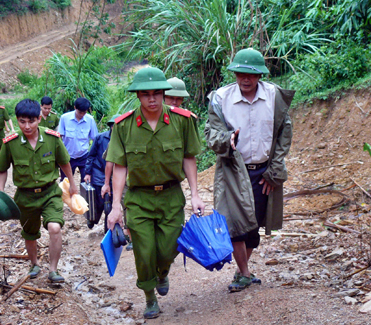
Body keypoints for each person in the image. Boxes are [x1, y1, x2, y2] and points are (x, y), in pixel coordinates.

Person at [106, 67, 205, 319]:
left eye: (157, 94)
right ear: (137, 96)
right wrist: (116, 206)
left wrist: (195, 194)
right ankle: (149, 297)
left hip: (171, 196)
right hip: (139, 199)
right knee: (144, 250)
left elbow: (189, 158)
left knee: (170, 246)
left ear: (164, 93)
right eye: (146, 94)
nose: (152, 99)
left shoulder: (182, 121)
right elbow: (120, 167)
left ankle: (163, 272)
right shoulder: (124, 125)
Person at [204, 48, 294, 292]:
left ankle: (242, 268)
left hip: (263, 171)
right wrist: (227, 139)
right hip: (233, 170)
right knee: (234, 224)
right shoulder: (221, 99)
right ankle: (244, 273)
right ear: (234, 72)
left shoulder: (274, 96)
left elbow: (284, 133)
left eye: (252, 75)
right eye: (241, 73)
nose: (246, 79)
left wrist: (274, 170)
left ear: (260, 75)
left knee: (253, 225)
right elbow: (211, 135)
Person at [0, 99, 78, 284]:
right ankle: (34, 264)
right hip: (25, 196)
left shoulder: (52, 139)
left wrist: (72, 184)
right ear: (17, 120)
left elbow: (64, 162)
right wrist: (0, 193)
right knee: (30, 234)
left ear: (39, 119)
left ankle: (53, 270)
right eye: (22, 121)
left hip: (50, 193)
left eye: (31, 121)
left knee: (55, 227)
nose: (27, 126)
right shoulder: (11, 143)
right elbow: (2, 168)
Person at [83, 114, 120, 229]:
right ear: (110, 127)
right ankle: (92, 218)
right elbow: (91, 155)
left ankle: (108, 228)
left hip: (116, 174)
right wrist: (88, 172)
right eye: (114, 126)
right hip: (99, 171)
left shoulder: (124, 140)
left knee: (110, 202)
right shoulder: (100, 138)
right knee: (99, 200)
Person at [57, 97, 98, 183]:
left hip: (84, 156)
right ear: (75, 107)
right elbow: (59, 137)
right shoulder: (64, 118)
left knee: (86, 181)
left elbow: (95, 139)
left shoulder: (90, 120)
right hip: (67, 156)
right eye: (80, 112)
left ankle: (84, 196)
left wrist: (93, 155)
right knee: (65, 181)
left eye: (85, 112)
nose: (82, 114)